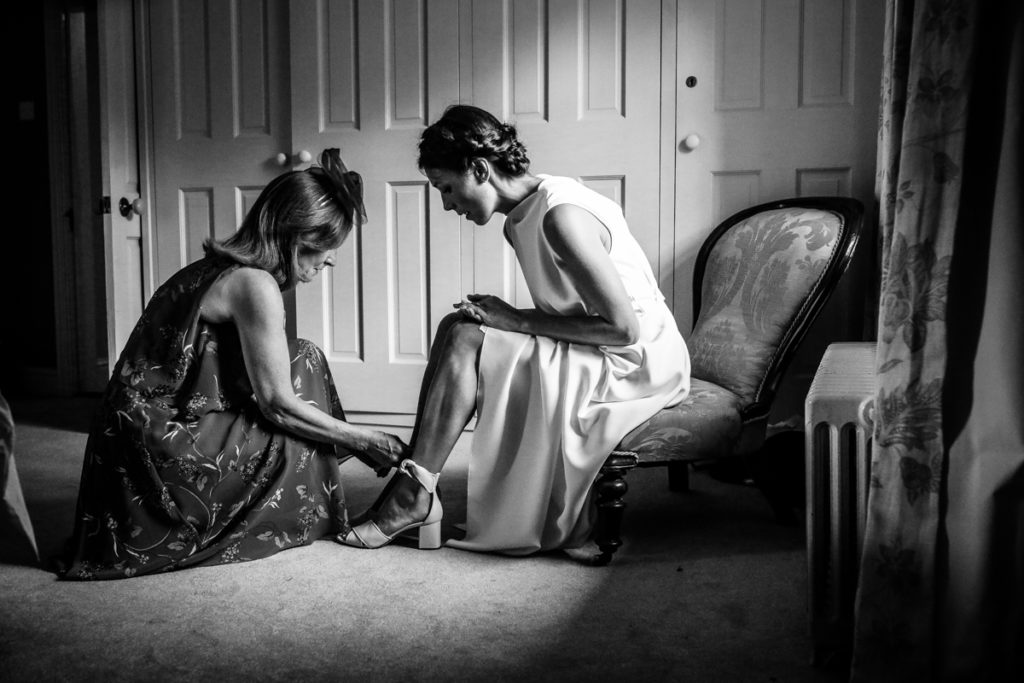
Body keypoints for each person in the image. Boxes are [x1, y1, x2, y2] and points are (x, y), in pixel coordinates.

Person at [337, 105, 691, 554]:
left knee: (468, 337)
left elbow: (623, 329)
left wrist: (517, 320)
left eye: (446, 188)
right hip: (603, 347)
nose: (447, 204)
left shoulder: (560, 215)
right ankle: (416, 477)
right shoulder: (521, 218)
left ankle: (412, 494)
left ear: (480, 169)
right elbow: (577, 308)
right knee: (458, 324)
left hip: (636, 361)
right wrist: (507, 317)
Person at [61, 149, 408, 579]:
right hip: (155, 457)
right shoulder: (255, 285)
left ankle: (322, 485)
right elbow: (277, 405)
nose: (330, 261)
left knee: (305, 357)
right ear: (294, 238)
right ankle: (316, 507)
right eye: (325, 248)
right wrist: (361, 438)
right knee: (292, 428)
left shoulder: (223, 268)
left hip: (132, 436)